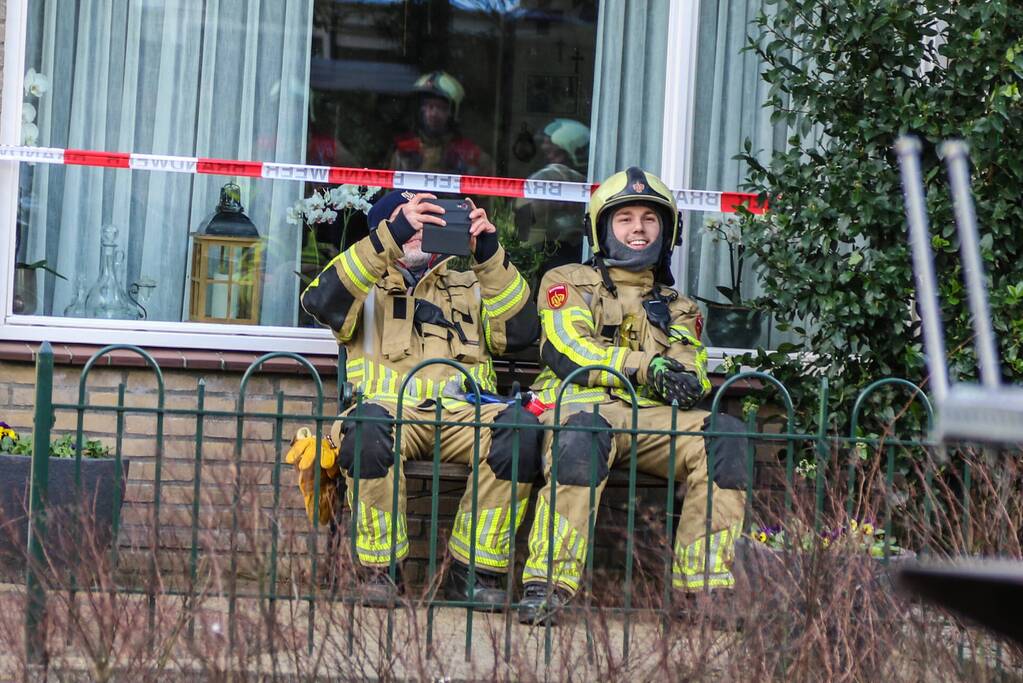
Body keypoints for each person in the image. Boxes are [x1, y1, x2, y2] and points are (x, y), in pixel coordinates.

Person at [289, 188, 541, 611]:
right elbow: (320, 299)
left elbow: (519, 332)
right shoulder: (362, 284)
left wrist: (489, 253)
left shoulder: (472, 284)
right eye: (411, 223)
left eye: (427, 223)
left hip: (468, 415)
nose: (419, 232)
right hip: (385, 415)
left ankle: (475, 573)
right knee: (365, 431)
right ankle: (379, 572)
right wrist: (392, 235)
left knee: (519, 432)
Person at [517, 167, 749, 626]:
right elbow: (569, 347)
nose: (638, 228)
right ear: (603, 229)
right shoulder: (566, 281)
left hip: (652, 420)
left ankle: (704, 592)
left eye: (649, 218)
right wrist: (645, 366)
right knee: (580, 438)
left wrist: (689, 379)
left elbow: (692, 367)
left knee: (724, 435)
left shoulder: (680, 307)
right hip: (580, 409)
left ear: (668, 231)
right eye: (624, 218)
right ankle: (547, 584)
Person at [388, 71, 493, 175]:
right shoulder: (403, 153)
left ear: (453, 113)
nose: (433, 114)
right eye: (429, 106)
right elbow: (391, 191)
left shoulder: (471, 157)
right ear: (420, 109)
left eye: (441, 107)